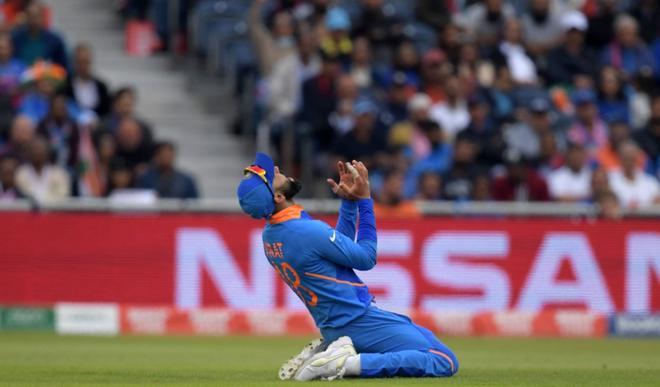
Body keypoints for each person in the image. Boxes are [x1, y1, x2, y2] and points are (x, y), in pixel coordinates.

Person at [236, 153, 458, 381]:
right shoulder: (304, 231)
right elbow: (366, 258)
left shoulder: (272, 235)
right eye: (272, 176)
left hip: (340, 323)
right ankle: (347, 363)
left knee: (428, 341)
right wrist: (365, 200)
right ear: (279, 196)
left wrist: (349, 203)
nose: (276, 168)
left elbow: (338, 252)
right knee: (443, 359)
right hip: (358, 321)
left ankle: (333, 351)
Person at [10, 1, 67, 68]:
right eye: (31, 17)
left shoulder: (55, 41)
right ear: (26, 17)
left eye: (37, 16)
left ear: (43, 17)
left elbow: (63, 66)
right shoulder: (16, 39)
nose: (34, 20)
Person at [15, 137, 70, 203]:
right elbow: (21, 193)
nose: (37, 152)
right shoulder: (21, 172)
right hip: (27, 211)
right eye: (34, 149)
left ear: (47, 152)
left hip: (54, 210)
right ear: (28, 152)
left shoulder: (59, 173)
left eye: (40, 149)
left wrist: (45, 202)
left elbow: (63, 195)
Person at [608, 141, 660, 209]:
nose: (629, 162)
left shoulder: (650, 181)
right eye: (626, 159)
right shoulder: (609, 178)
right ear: (619, 158)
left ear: (637, 159)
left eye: (632, 159)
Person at [64, 43, 111, 117]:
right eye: (79, 62)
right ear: (73, 63)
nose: (83, 66)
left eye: (85, 62)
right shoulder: (65, 85)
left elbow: (106, 111)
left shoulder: (101, 87)